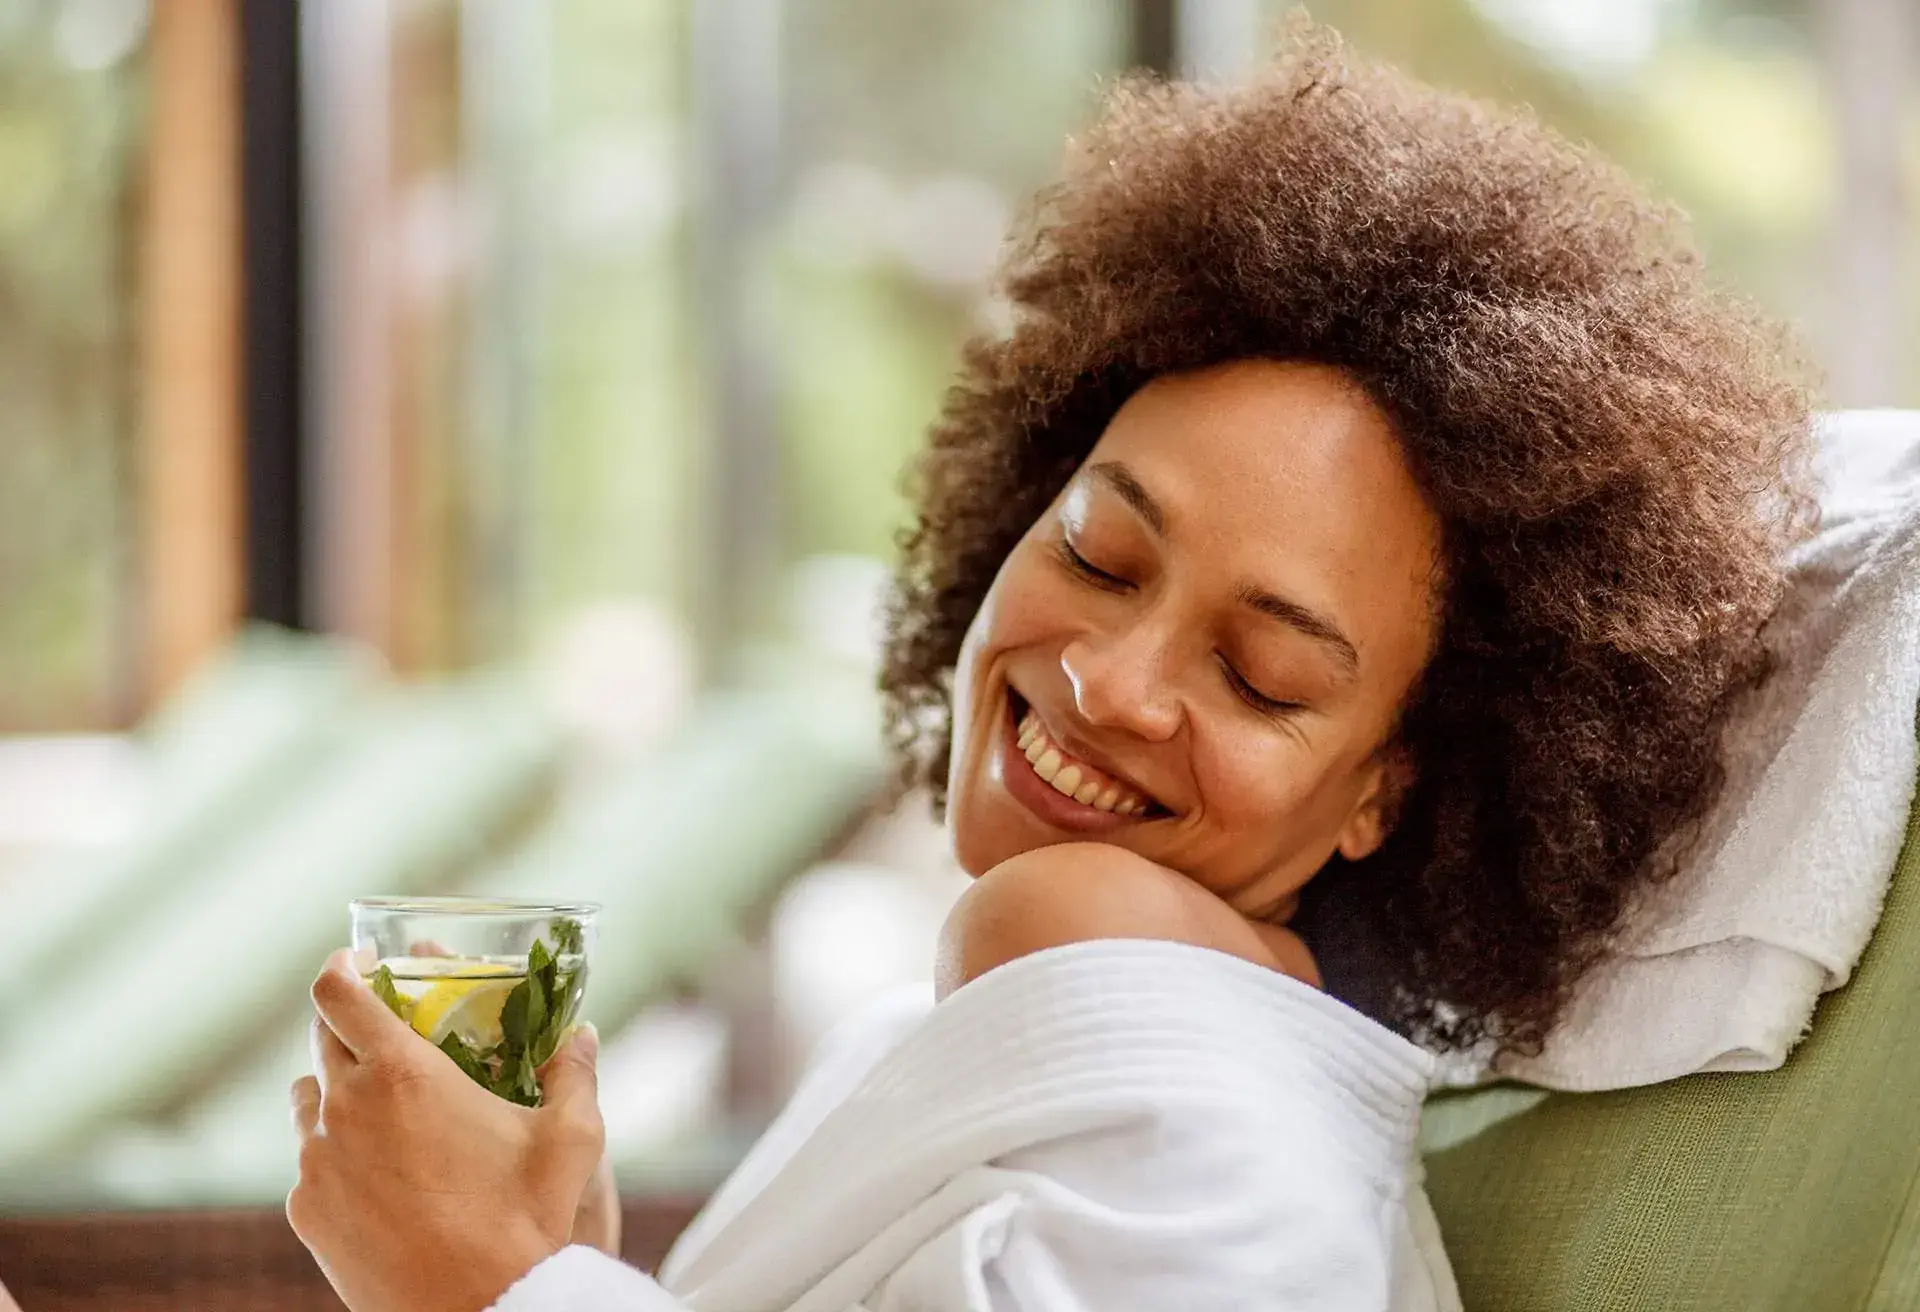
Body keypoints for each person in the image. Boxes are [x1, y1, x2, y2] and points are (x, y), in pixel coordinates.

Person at [287, 20, 1814, 1311]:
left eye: (1266, 678)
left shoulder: (1244, 1173)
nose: (1113, 684)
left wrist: (492, 1289)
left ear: (1389, 794)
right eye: (1095, 553)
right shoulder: (980, 1039)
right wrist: (565, 1263)